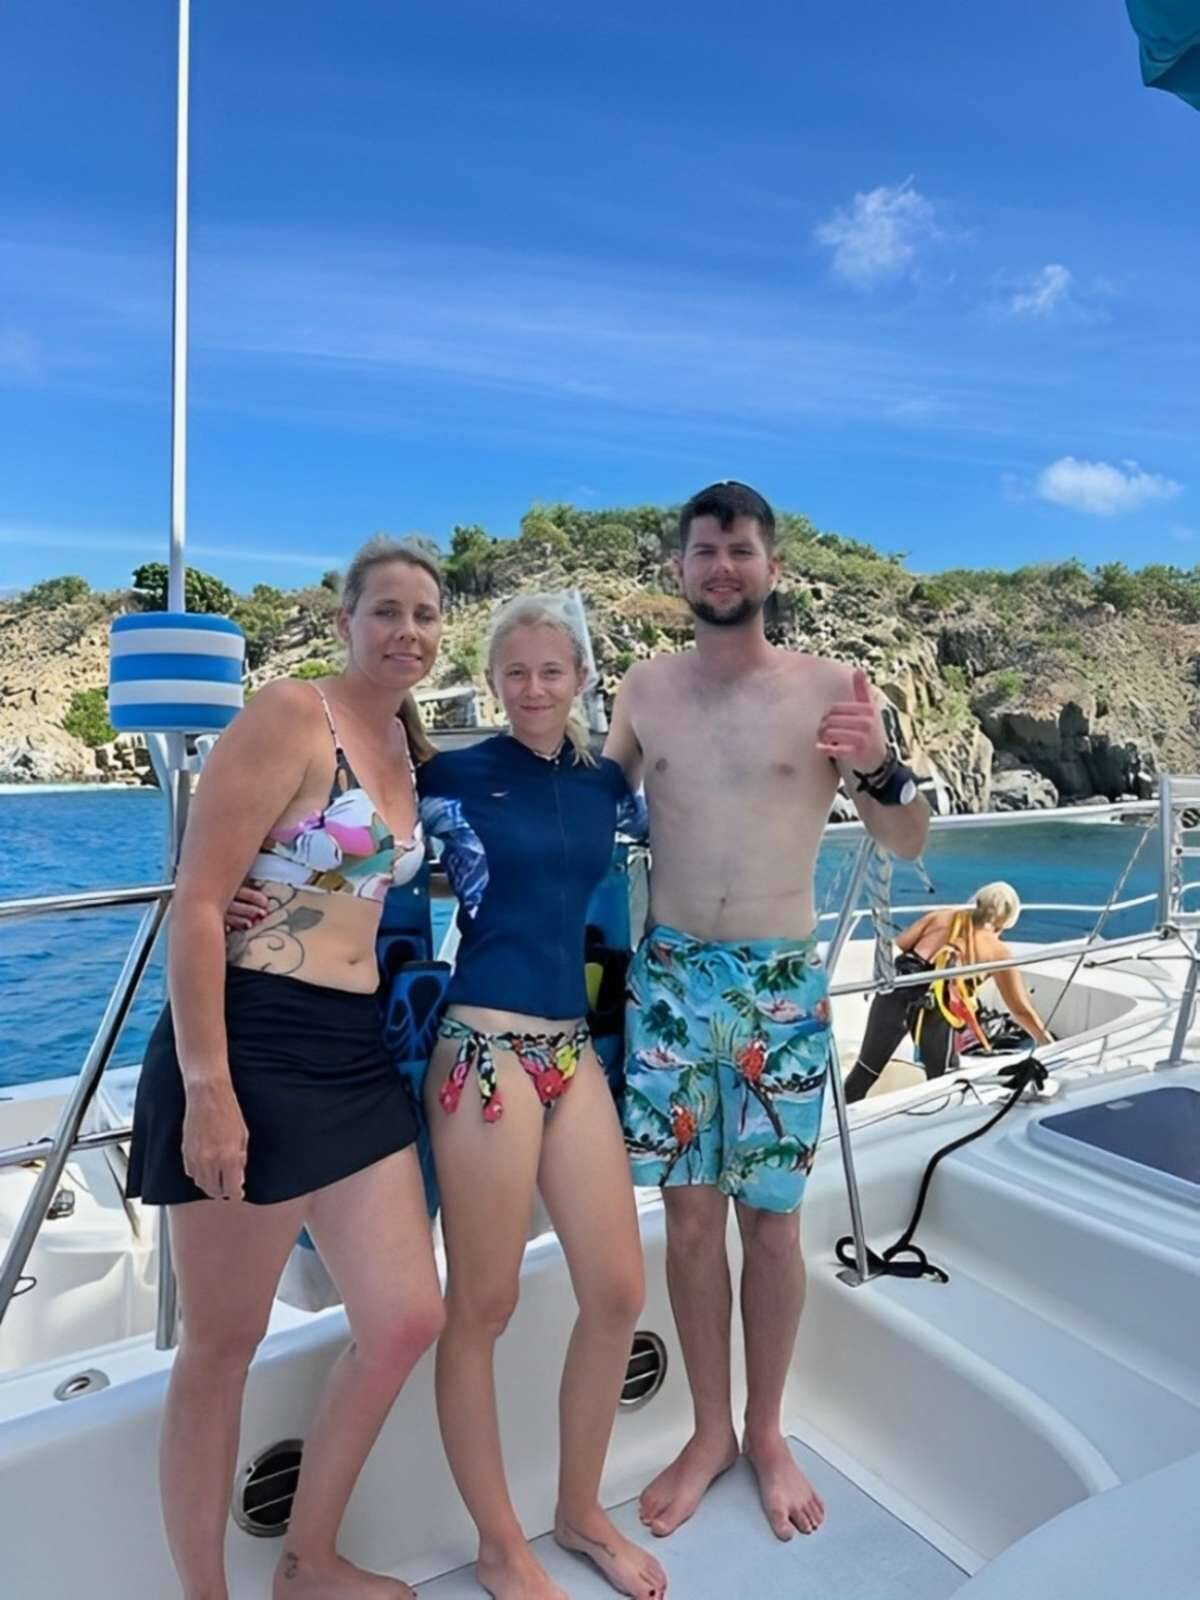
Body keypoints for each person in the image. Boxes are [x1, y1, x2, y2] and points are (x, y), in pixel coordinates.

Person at [604, 480, 929, 1543]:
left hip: (778, 984)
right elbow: (583, 810)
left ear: (772, 567)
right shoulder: (645, 689)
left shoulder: (831, 688)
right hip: (668, 981)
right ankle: (709, 1431)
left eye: (740, 549)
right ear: (679, 569)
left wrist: (878, 763)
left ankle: (767, 1428)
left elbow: (907, 841)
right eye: (704, 550)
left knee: (774, 1223)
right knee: (691, 1220)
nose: (722, 567)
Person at [127, 536, 447, 1600]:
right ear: (347, 621)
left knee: (405, 1316)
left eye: (425, 615)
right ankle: (205, 1593)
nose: (407, 631)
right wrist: (208, 1090)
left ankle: (308, 1562)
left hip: (351, 1054)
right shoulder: (289, 715)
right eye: (386, 611)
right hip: (252, 1043)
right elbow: (198, 903)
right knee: (224, 1343)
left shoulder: (406, 748)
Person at [417, 595, 666, 1600]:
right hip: (481, 1049)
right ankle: (497, 1544)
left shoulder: (605, 786)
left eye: (550, 671)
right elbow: (346, 834)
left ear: (581, 680)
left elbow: (691, 801)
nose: (532, 688)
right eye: (513, 672)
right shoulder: (450, 777)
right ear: (491, 682)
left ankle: (578, 1510)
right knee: (482, 1305)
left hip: (571, 1051)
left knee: (617, 1289)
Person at [844, 882, 1053, 1102]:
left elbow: (898, 947)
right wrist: (1048, 1042)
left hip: (896, 995)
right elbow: (1020, 1010)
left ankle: (837, 1119)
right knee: (941, 1085)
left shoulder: (939, 918)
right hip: (936, 1010)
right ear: (1008, 920)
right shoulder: (999, 953)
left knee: (864, 1072)